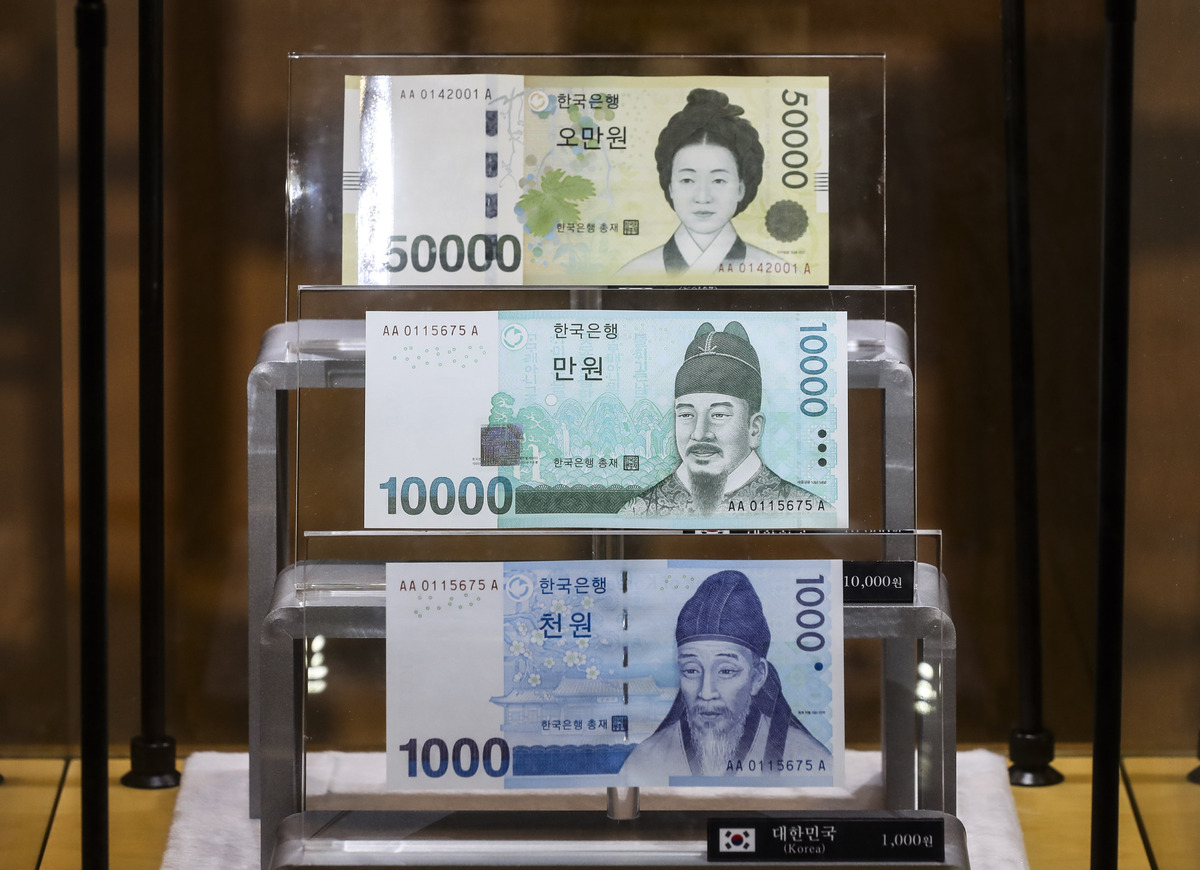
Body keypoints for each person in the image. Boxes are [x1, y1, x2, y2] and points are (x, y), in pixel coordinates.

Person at [621, 570, 831, 778]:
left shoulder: (809, 758)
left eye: (726, 670)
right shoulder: (644, 761)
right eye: (691, 670)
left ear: (757, 677)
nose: (706, 693)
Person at [618, 321, 821, 517]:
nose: (699, 434)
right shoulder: (639, 511)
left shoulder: (806, 510)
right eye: (686, 415)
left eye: (719, 415)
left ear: (754, 429)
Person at [619, 88, 787, 278]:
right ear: (671, 187)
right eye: (687, 180)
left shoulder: (779, 273)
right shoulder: (631, 274)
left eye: (718, 180)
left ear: (741, 188)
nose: (702, 197)